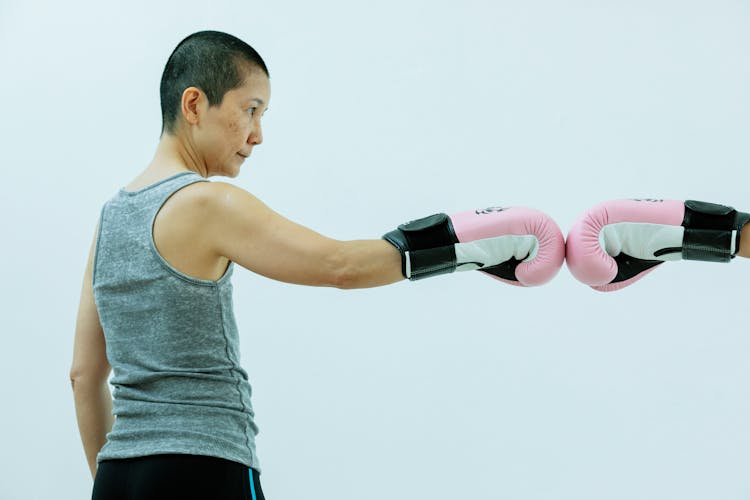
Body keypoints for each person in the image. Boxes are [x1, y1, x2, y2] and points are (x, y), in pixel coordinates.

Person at [69, 30, 565, 499]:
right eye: (250, 109)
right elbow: (340, 265)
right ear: (195, 104)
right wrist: (469, 245)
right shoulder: (208, 204)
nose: (258, 134)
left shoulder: (110, 218)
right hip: (203, 467)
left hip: (118, 477)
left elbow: (83, 374)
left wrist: (114, 483)